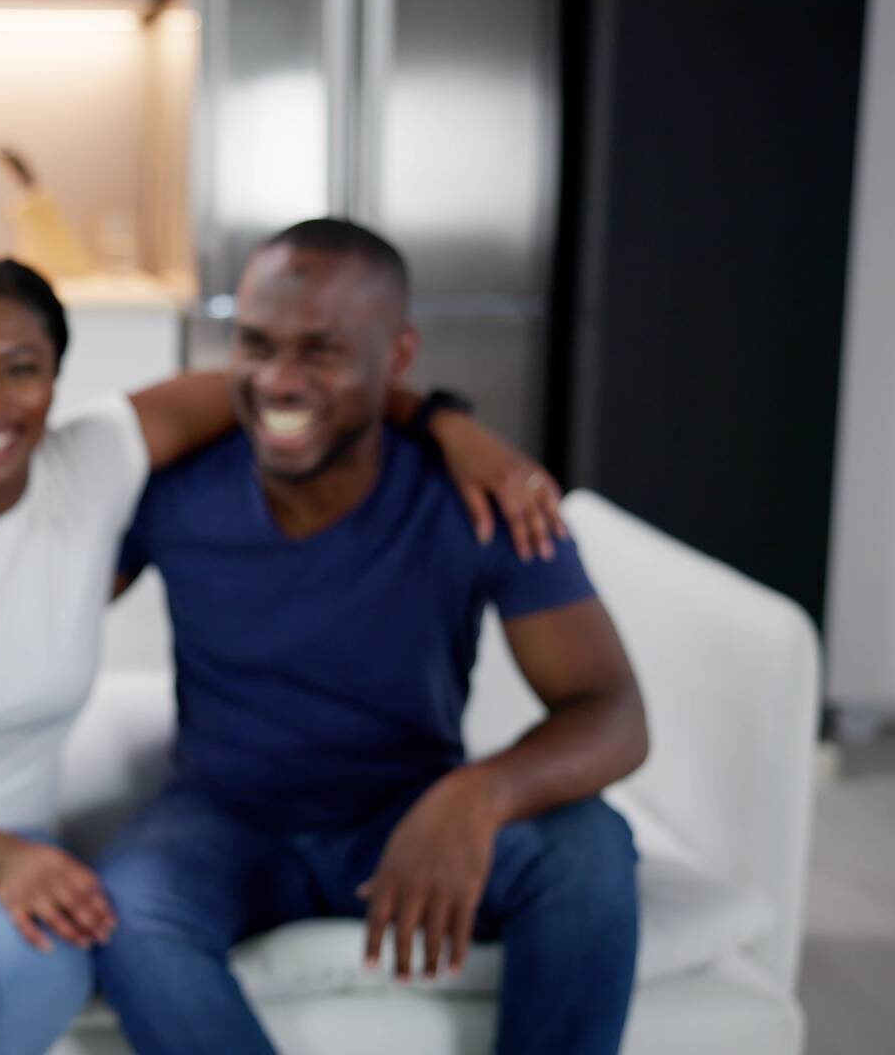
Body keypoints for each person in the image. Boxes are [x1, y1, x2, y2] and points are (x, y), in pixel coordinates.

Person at [0, 250, 570, 1054]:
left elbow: (283, 382)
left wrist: (447, 422)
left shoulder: (93, 462)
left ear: (56, 380)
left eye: (21, 367)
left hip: (14, 834)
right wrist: (14, 858)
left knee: (46, 975)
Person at [92, 218, 649, 1055]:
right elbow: (32, 582)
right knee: (129, 912)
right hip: (223, 819)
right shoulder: (173, 487)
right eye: (256, 343)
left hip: (406, 811)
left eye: (321, 351)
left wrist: (479, 794)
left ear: (397, 357)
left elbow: (611, 712)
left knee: (592, 849)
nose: (279, 379)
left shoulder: (482, 500)